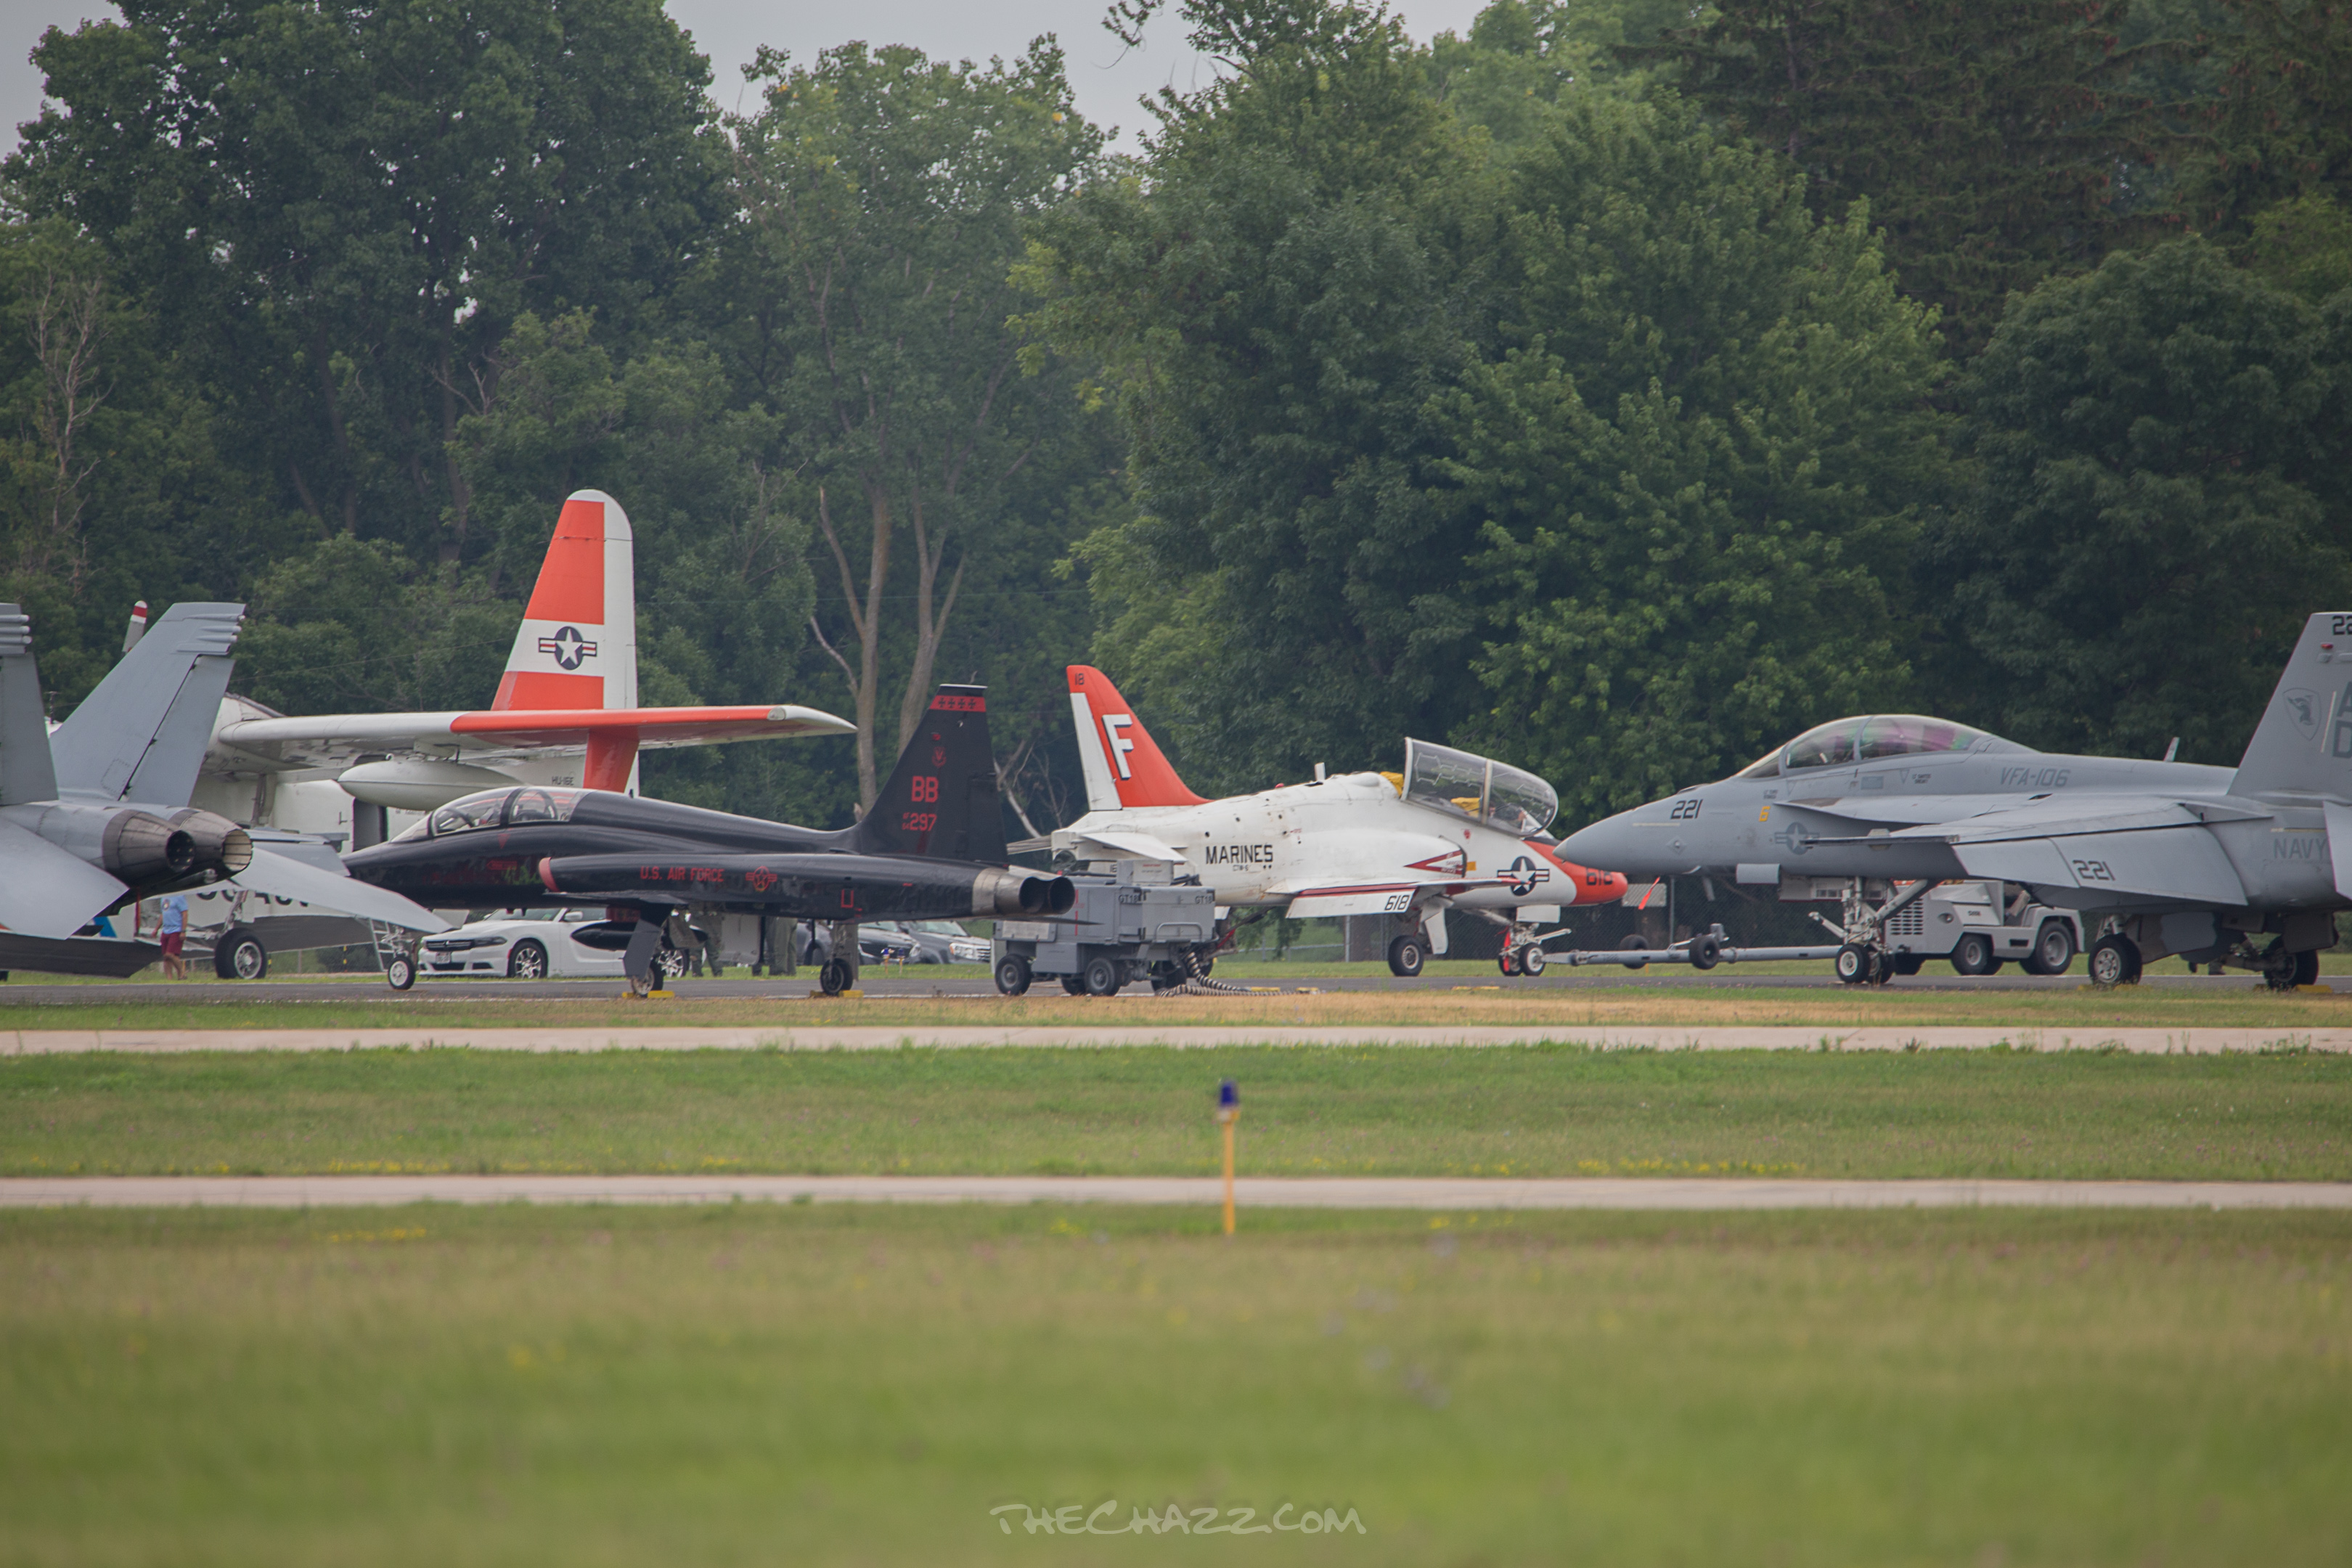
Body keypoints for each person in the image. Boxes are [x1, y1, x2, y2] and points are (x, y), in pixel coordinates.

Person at [158, 893, 187, 980]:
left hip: (176, 930)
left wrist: (183, 931)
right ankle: (169, 979)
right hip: (166, 930)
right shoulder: (163, 897)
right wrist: (156, 929)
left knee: (170, 954)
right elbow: (163, 914)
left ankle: (182, 973)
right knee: (166, 957)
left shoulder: (179, 896)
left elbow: (185, 914)